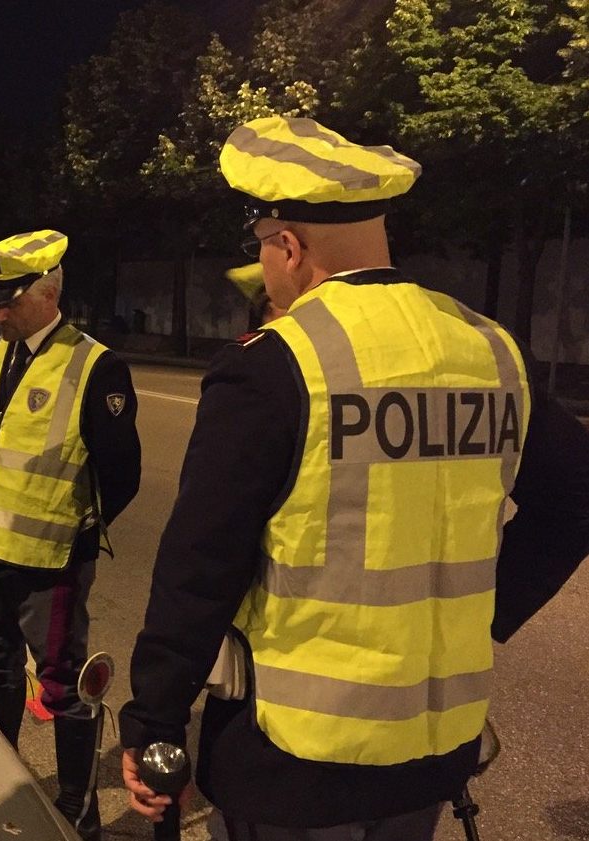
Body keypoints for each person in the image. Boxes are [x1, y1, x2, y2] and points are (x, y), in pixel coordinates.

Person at [120, 115, 589, 840]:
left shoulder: (274, 364)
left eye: (262, 249)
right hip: (431, 751)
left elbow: (199, 567)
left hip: (293, 762)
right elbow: (575, 498)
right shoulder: (490, 349)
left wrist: (152, 719)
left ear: (288, 247)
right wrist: (482, 613)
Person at [0, 229, 141, 841]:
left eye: (7, 301)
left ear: (47, 293)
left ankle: (77, 806)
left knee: (63, 685)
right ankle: (3, 779)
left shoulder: (96, 366)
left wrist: (78, 533)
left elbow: (123, 475)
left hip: (51, 564)